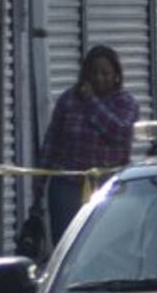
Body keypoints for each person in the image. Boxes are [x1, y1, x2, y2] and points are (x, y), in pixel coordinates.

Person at [36, 45, 138, 242]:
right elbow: (52, 142)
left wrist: (92, 102)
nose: (99, 78)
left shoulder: (125, 103)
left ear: (116, 75)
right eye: (94, 73)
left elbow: (119, 132)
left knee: (105, 243)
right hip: (68, 186)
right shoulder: (69, 100)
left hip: (109, 186)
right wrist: (38, 184)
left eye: (105, 73)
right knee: (68, 242)